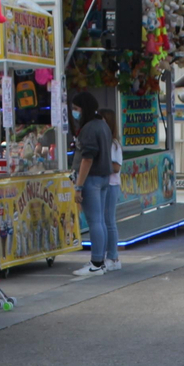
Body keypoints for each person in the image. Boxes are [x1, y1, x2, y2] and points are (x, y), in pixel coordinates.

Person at [70, 92, 116, 274]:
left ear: (84, 108)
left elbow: (87, 159)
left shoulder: (88, 129)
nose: (74, 112)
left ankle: (96, 263)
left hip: (91, 179)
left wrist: (78, 186)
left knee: (94, 221)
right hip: (104, 177)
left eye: (76, 108)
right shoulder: (102, 125)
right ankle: (101, 260)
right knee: (101, 221)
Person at [100, 107, 123, 269]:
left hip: (111, 184)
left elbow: (116, 167)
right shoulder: (104, 143)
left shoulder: (113, 145)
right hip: (103, 184)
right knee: (103, 220)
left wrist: (101, 165)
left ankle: (113, 257)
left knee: (109, 220)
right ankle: (103, 255)